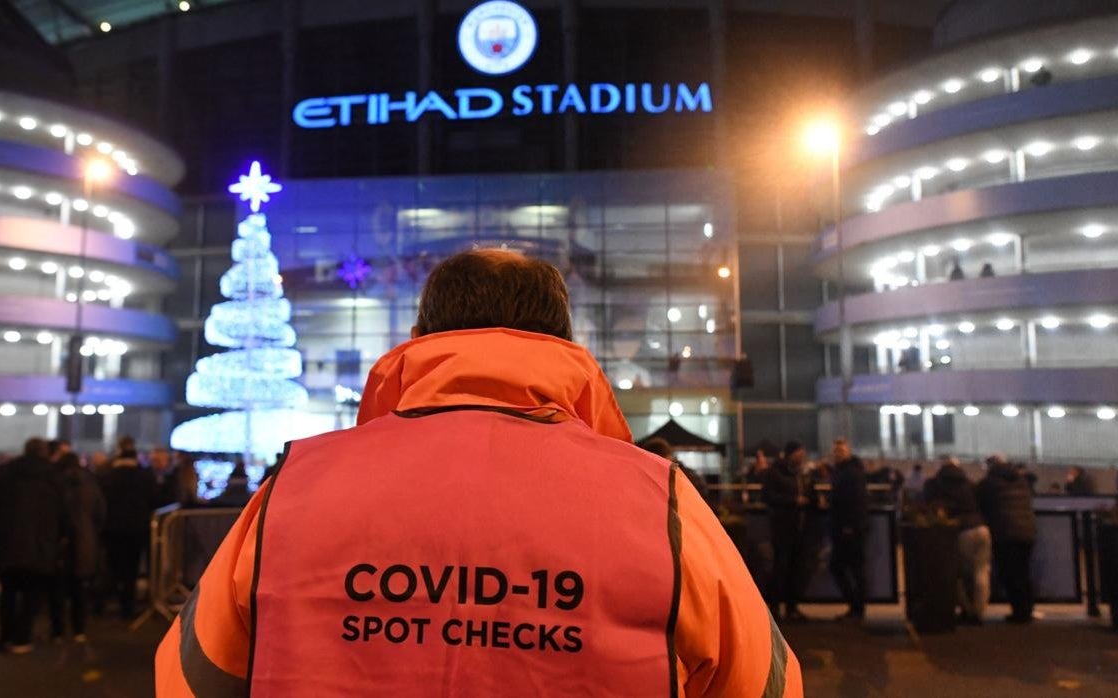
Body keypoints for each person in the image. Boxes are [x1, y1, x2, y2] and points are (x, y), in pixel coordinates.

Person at [157, 249, 802, 696]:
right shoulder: (659, 502)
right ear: (567, 346)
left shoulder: (295, 488)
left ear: (416, 336)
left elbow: (189, 675)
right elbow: (766, 683)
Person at [0, 438, 65, 653]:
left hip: (7, 541)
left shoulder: (5, 473)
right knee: (32, 594)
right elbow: (63, 512)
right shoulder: (54, 475)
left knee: (8, 592)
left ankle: (5, 637)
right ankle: (22, 637)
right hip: (41, 543)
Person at [924, 457, 990, 625]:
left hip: (960, 531)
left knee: (957, 574)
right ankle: (979, 612)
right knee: (981, 572)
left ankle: (967, 611)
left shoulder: (935, 484)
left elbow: (928, 506)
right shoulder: (969, 483)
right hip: (981, 528)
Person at [50, 452, 105, 643]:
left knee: (57, 589)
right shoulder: (90, 485)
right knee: (80, 588)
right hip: (85, 542)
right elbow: (100, 514)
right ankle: (79, 630)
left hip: (59, 544)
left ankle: (58, 631)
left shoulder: (54, 485)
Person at [975, 454, 1037, 623]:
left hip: (1005, 532)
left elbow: (979, 501)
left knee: (1010, 574)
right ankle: (1026, 609)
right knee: (1023, 572)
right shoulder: (1021, 481)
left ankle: (1020, 612)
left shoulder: (989, 483)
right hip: (1028, 531)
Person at [101, 436, 156, 620]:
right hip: (137, 529)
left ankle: (113, 600)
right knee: (131, 570)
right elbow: (153, 500)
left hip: (112, 529)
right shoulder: (144, 476)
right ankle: (127, 606)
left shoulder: (108, 476)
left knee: (114, 566)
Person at [761, 441, 812, 623]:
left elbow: (809, 493)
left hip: (799, 527)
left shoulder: (802, 474)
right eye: (799, 452)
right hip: (782, 527)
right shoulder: (776, 472)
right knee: (780, 567)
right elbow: (767, 495)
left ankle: (791, 606)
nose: (802, 456)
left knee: (795, 568)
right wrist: (792, 500)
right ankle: (775, 606)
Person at [828, 438, 868, 622]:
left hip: (849, 528)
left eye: (841, 451)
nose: (837, 454)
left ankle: (856, 607)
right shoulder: (848, 471)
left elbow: (854, 502)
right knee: (854, 568)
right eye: (836, 451)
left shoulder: (849, 473)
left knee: (840, 567)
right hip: (850, 527)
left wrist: (849, 526)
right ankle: (857, 607)